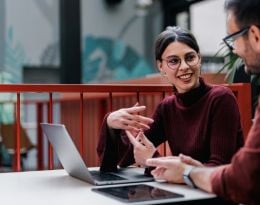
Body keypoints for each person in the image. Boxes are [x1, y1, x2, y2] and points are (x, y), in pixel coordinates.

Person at [146, 0, 260, 204]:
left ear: (255, 36)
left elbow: (248, 179)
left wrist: (188, 173)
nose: (234, 50)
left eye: (233, 39)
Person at [97, 26, 244, 173]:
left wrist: (153, 159)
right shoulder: (167, 107)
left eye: (190, 57)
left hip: (219, 194)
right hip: (187, 193)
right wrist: (111, 123)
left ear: (199, 59)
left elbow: (219, 169)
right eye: (174, 61)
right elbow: (126, 158)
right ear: (161, 67)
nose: (184, 67)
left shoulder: (221, 98)